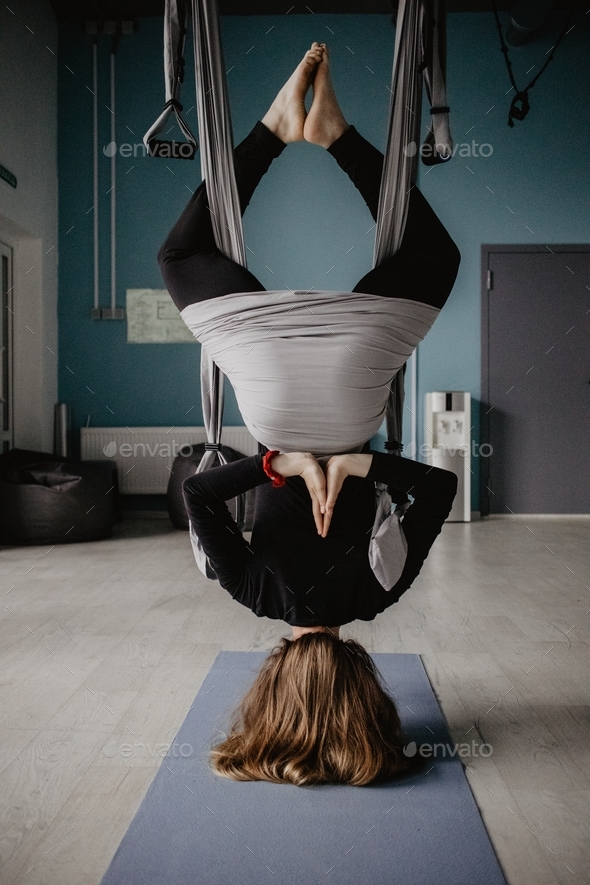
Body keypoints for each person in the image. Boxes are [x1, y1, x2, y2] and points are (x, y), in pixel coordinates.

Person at [158, 44, 460, 785]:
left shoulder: (372, 591)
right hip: (268, 388)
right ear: (275, 679)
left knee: (432, 254)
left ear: (361, 686)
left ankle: (333, 134)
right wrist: (278, 462)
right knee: (179, 255)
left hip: (355, 381)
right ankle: (272, 128)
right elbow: (197, 491)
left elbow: (439, 489)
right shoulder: (254, 592)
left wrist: (350, 461)